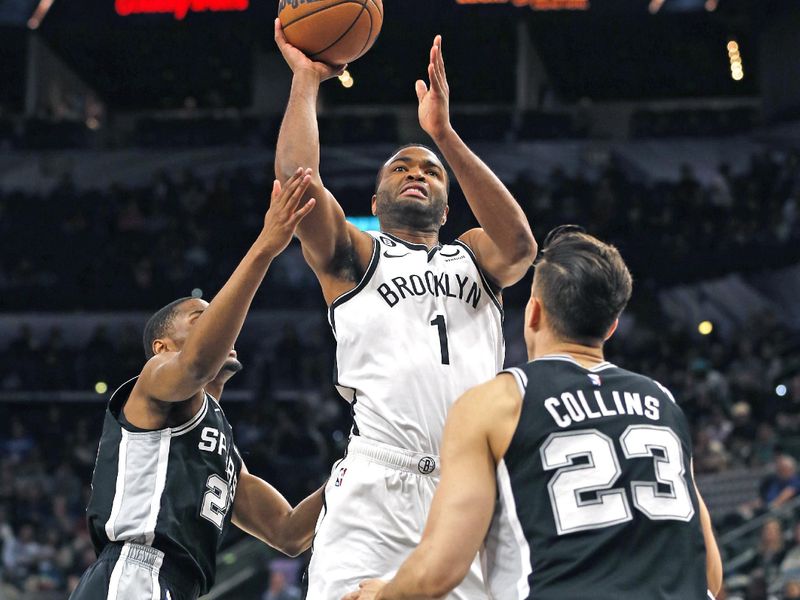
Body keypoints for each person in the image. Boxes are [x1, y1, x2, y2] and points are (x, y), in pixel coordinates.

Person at [273, 22, 537, 600]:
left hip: (470, 490)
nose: (417, 172)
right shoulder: (357, 256)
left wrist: (443, 134)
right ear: (375, 201)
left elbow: (522, 246)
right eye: (401, 168)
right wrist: (304, 82)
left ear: (446, 206)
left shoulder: (473, 253)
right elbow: (300, 184)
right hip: (377, 483)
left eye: (430, 171)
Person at [344, 227, 723, 600]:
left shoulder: (496, 403)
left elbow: (438, 571)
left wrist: (383, 594)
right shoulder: (662, 402)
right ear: (611, 326)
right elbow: (711, 574)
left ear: (534, 312)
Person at [70, 170, 325, 600]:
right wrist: (265, 247)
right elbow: (196, 366)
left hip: (178, 587)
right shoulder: (155, 378)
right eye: (199, 317)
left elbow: (289, 532)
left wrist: (360, 461)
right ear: (162, 346)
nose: (216, 324)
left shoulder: (220, 445)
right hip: (136, 572)